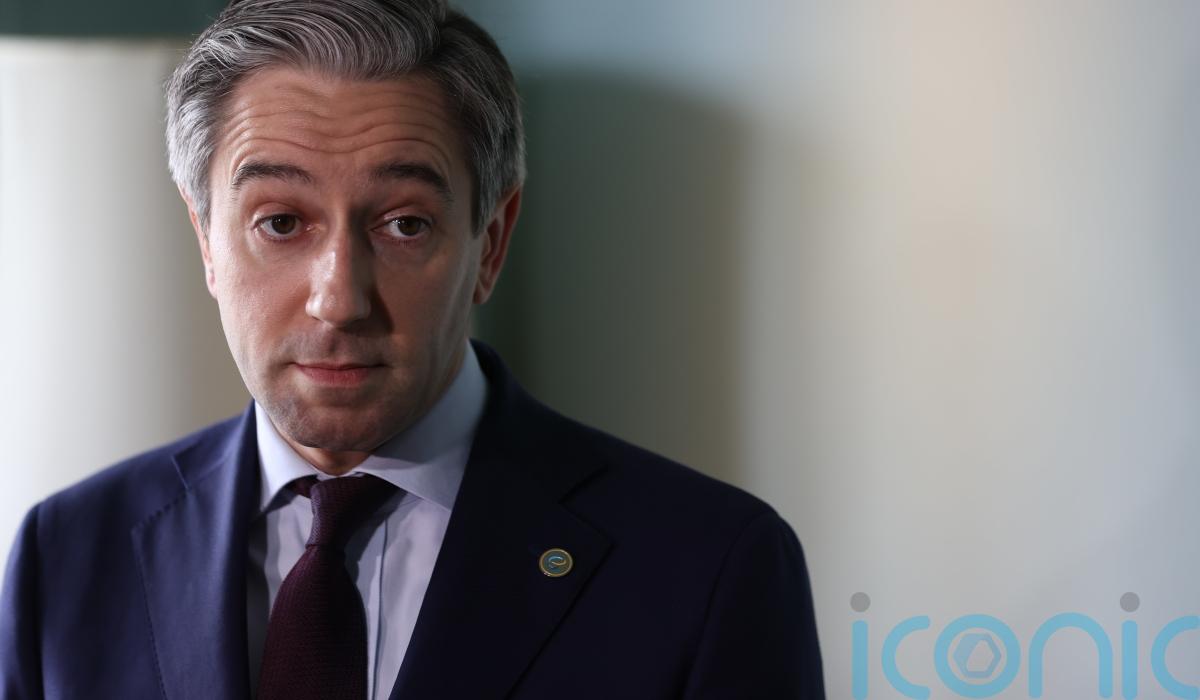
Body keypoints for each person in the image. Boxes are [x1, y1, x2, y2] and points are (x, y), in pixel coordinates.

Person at [0, 1, 825, 698]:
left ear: (490, 242)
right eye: (280, 222)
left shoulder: (709, 566)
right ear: (207, 242)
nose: (339, 298)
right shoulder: (66, 554)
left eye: (404, 224)